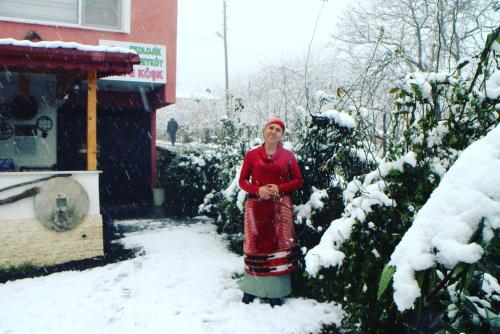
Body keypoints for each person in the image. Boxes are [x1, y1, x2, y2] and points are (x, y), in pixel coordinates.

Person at [238, 117, 304, 307]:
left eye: (278, 130)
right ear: (264, 131)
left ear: (282, 135)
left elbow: (298, 180)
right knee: (254, 245)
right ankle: (252, 289)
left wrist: (279, 188)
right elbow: (242, 181)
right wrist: (257, 190)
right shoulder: (251, 155)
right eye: (271, 128)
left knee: (278, 246)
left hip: (279, 207)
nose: (274, 131)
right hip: (256, 206)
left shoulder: (288, 156)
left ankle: (276, 291)